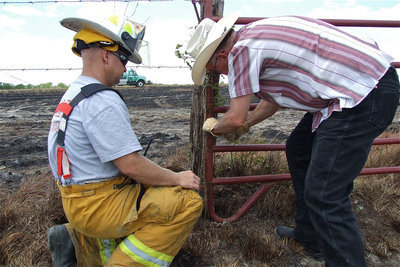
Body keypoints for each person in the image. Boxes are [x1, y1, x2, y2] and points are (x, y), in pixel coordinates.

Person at [185, 14, 399, 266]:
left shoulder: (240, 52)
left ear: (221, 56)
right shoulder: (254, 36)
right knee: (299, 149)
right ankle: (311, 238)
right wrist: (246, 124)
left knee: (325, 195)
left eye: (214, 70)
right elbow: (271, 101)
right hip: (357, 89)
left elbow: (233, 118)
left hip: (362, 95)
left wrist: (214, 128)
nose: (220, 76)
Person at [47, 15, 202, 266]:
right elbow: (130, 165)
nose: (126, 69)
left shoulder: (73, 94)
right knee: (187, 202)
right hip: (98, 207)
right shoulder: (102, 100)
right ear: (107, 56)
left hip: (76, 201)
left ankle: (75, 240)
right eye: (124, 59)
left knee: (143, 191)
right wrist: (175, 177)